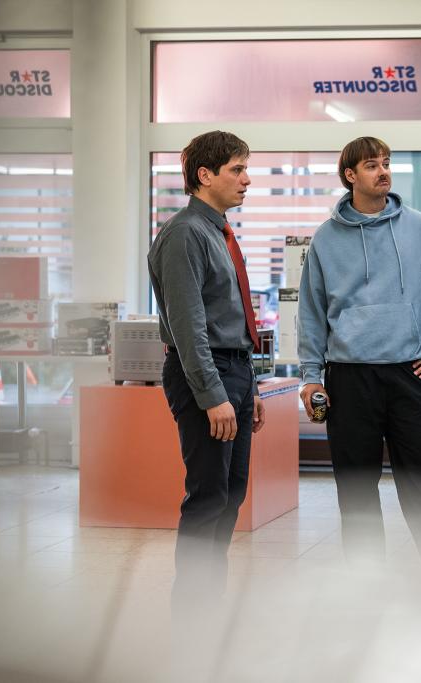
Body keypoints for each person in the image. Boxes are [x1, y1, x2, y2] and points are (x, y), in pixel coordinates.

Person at [297, 136, 421, 579]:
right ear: (350, 176)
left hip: (409, 375)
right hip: (349, 377)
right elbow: (311, 311)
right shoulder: (325, 239)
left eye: (386, 163)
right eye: (371, 165)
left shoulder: (420, 228)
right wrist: (310, 375)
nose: (383, 171)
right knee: (356, 486)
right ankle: (366, 578)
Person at [148, 130, 265, 602]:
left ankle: (209, 597)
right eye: (237, 170)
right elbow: (188, 327)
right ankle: (194, 608)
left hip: (234, 370)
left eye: (245, 169)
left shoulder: (217, 232)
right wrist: (213, 395)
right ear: (205, 175)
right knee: (208, 495)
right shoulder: (184, 235)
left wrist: (250, 386)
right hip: (205, 372)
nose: (247, 179)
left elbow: (230, 319)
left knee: (231, 493)